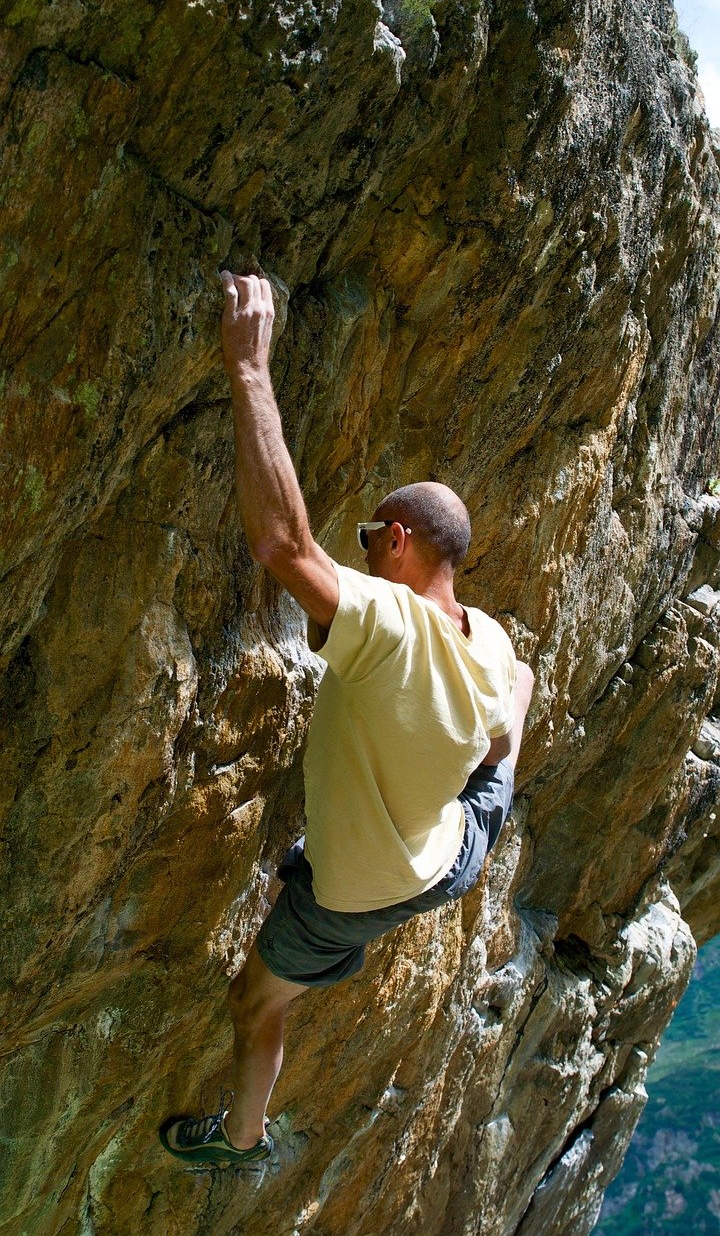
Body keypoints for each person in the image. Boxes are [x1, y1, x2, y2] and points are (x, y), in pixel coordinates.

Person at [159, 273, 534, 1167]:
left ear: (398, 540)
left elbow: (282, 546)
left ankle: (242, 1139)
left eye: (368, 536)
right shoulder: (488, 641)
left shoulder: (386, 625)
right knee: (513, 706)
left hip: (360, 894)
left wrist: (250, 367)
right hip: (455, 854)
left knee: (256, 1003)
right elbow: (499, 727)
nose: (359, 548)